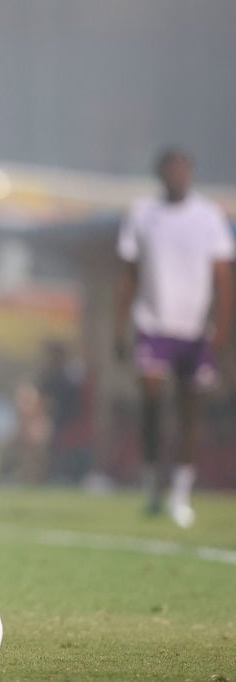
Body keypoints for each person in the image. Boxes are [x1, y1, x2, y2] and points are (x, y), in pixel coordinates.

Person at [114, 147, 234, 528]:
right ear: (161, 174)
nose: (177, 175)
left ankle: (181, 493)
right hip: (153, 323)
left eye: (183, 169)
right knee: (151, 401)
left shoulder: (209, 217)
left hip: (195, 329)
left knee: (190, 409)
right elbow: (129, 273)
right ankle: (152, 486)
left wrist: (221, 328)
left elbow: (222, 277)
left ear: (191, 174)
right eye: (171, 169)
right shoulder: (142, 215)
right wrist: (120, 325)